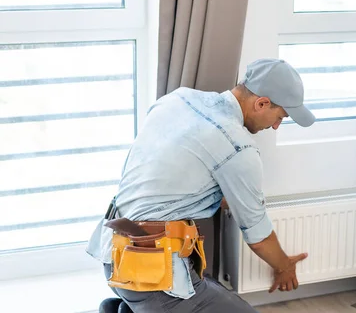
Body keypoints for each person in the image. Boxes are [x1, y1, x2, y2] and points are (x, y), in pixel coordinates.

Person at [87, 58, 316, 313]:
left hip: (113, 256)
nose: (275, 125)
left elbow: (175, 179)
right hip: (152, 278)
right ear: (262, 103)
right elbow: (259, 237)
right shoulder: (238, 146)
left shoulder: (178, 100)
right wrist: (284, 266)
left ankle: (125, 308)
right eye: (280, 117)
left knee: (214, 293)